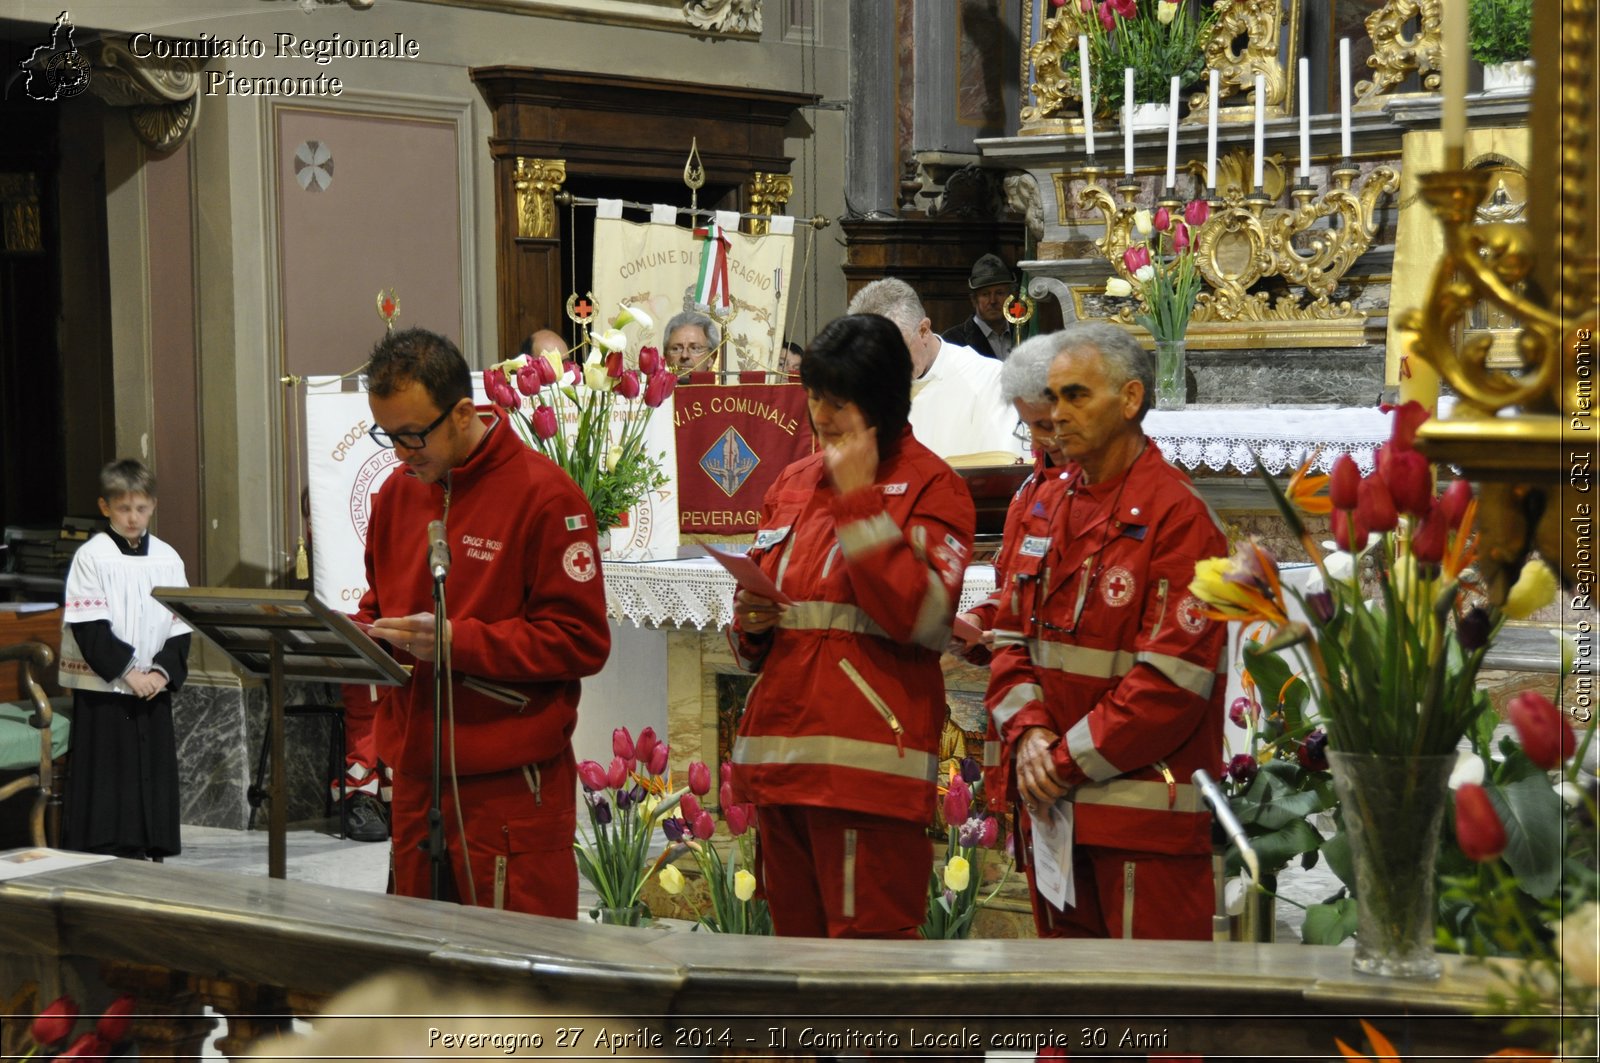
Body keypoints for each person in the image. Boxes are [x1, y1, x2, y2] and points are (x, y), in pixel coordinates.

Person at [727, 313, 976, 939]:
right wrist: (752, 622)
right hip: (782, 761)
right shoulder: (791, 482)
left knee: (869, 980)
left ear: (882, 400)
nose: (821, 416)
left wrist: (860, 499)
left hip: (868, 772)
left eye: (838, 402)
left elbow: (920, 620)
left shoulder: (934, 487)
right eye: (814, 397)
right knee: (797, 968)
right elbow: (775, 615)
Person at [983, 322, 1228, 941]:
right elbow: (1010, 639)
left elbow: (1170, 685)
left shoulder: (1180, 517)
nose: (1057, 414)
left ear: (1130, 400)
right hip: (1057, 810)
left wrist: (1060, 762)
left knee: (1148, 1023)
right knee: (1067, 1012)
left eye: (1076, 396)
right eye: (1054, 397)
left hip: (1141, 815)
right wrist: (1030, 733)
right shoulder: (1048, 502)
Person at [355, 326, 610, 916]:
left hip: (506, 785)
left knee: (512, 994)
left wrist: (457, 643)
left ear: (464, 412)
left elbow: (581, 642)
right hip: (418, 777)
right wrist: (364, 635)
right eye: (388, 436)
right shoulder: (396, 496)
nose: (400, 454)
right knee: (422, 980)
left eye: (414, 435)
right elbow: (379, 603)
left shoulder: (546, 497)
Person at [951, 334, 1073, 803]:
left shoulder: (1096, 490)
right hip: (1023, 709)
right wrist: (981, 620)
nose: (1043, 440)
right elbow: (1016, 585)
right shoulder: (1029, 491)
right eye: (1029, 428)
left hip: (1066, 715)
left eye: (1047, 424)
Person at [59, 459, 192, 860]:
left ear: (152, 505)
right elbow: (90, 627)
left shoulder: (168, 557)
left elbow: (180, 624)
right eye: (123, 508)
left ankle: (152, 840)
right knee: (108, 768)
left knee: (151, 768)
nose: (133, 518)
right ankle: (106, 845)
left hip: (153, 685)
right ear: (105, 507)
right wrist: (129, 673)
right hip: (108, 688)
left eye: (141, 508)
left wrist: (160, 673)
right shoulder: (92, 556)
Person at [847, 277, 1022, 461]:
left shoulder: (989, 378)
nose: (885, 367)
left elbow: (1004, 467)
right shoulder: (866, 386)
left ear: (923, 330)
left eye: (894, 351)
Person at [942, 253, 1016, 360]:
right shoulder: (952, 341)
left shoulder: (1023, 334)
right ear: (974, 300)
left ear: (1011, 297)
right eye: (985, 294)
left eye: (999, 293)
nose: (993, 301)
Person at [663, 310, 720, 379]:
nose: (684, 355)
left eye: (695, 348)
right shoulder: (650, 389)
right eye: (676, 349)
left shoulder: (729, 390)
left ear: (711, 358)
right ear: (665, 357)